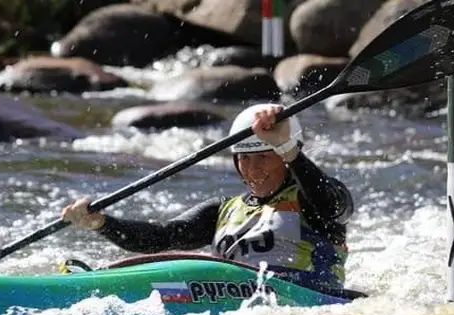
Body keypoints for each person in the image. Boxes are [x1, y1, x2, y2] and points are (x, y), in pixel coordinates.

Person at [61, 103, 354, 291]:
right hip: (230, 298)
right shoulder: (222, 211)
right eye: (244, 158)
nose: (253, 169)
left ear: (287, 155)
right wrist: (101, 223)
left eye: (265, 156)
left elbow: (333, 207)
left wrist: (289, 148)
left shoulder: (316, 199)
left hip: (308, 301)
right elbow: (162, 238)